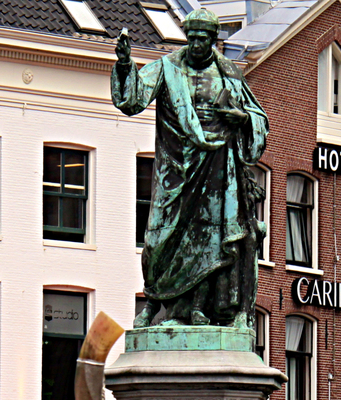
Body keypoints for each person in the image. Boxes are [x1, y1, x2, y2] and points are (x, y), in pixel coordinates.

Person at [113, 9, 268, 329]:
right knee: (158, 238)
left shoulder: (229, 74)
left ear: (213, 40)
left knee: (210, 240)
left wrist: (242, 120)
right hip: (175, 171)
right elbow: (133, 99)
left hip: (216, 170)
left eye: (203, 39)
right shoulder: (168, 69)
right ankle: (154, 302)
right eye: (192, 38)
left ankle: (197, 309)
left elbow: (257, 118)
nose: (197, 44)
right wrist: (126, 64)